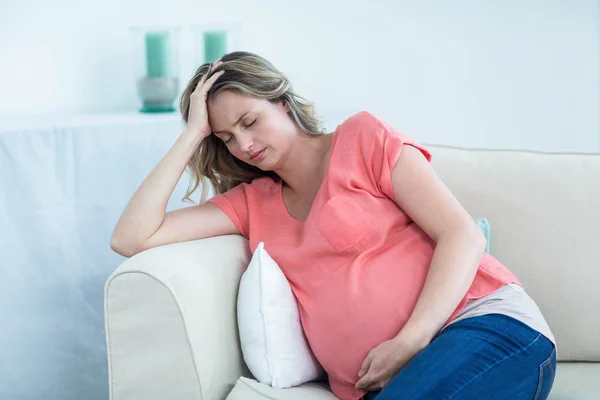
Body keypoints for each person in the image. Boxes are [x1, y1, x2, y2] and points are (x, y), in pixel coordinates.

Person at [110, 51, 557, 400]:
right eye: (225, 137)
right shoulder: (250, 203)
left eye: (250, 121)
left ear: (282, 103)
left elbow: (462, 234)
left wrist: (409, 341)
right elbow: (132, 237)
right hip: (383, 383)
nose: (243, 144)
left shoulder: (361, 137)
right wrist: (191, 134)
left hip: (484, 327)